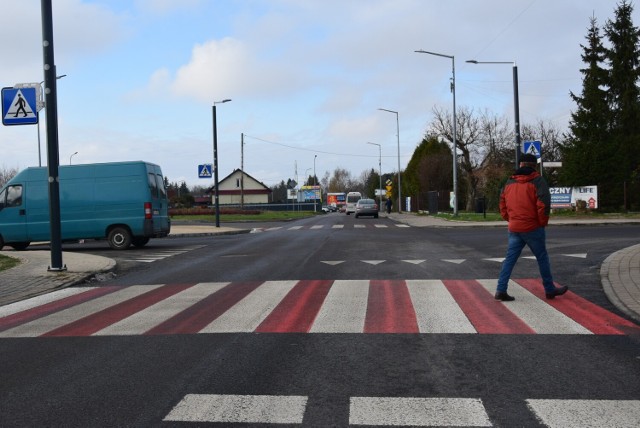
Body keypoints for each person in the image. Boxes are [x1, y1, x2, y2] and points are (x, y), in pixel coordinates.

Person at [495, 153, 568, 301]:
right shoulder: (538, 181)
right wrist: (542, 222)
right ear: (534, 166)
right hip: (533, 227)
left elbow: (502, 204)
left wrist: (510, 219)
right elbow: (543, 204)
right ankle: (549, 289)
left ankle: (500, 290)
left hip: (514, 227)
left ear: (520, 164)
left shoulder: (509, 182)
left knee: (510, 259)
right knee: (542, 258)